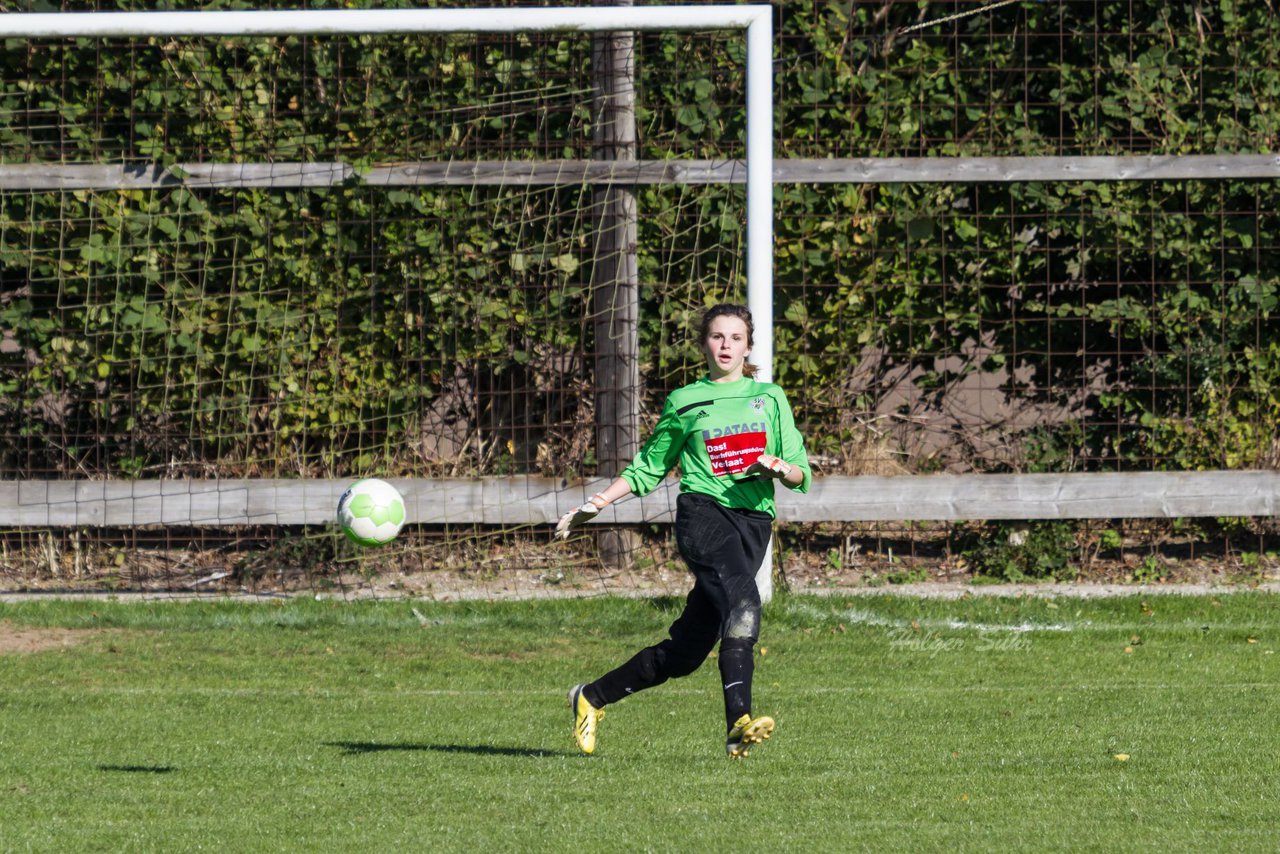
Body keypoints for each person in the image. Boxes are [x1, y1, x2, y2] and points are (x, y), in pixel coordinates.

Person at [555, 303, 811, 758]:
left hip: (752, 525)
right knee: (745, 601)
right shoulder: (685, 400)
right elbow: (648, 467)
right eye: (717, 336)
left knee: (685, 653)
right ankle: (739, 725)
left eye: (735, 337)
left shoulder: (771, 398)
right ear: (704, 345)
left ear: (748, 345)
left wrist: (780, 467)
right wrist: (596, 503)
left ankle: (590, 698)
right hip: (703, 515)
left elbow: (801, 475)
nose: (726, 345)